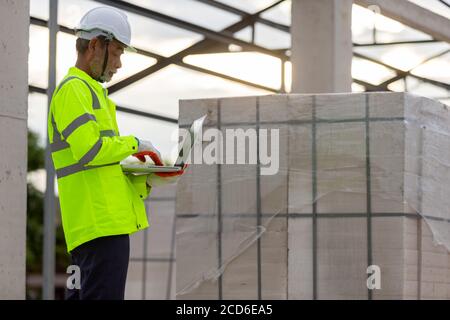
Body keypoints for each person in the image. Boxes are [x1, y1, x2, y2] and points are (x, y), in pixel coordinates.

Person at [47, 6, 183, 300]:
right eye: (118, 51)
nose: (119, 63)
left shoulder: (90, 93)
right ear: (95, 44)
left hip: (89, 229)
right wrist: (136, 143)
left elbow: (100, 168)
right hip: (101, 230)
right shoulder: (75, 90)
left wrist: (146, 178)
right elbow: (91, 151)